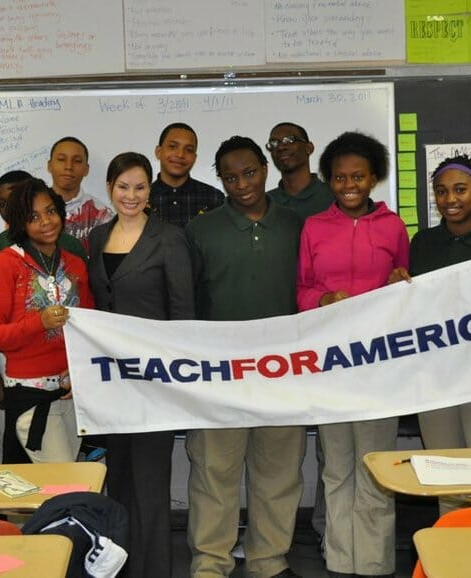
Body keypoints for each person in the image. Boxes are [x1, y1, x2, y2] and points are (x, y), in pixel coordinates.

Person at [186, 136, 305, 578]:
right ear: (220, 180)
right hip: (219, 376)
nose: (242, 185)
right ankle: (210, 564)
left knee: (278, 474)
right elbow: (189, 304)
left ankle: (268, 562)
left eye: (250, 173)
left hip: (284, 373)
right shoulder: (201, 230)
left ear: (265, 169)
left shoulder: (296, 224)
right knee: (214, 473)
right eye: (231, 177)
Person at [296, 131, 408, 578]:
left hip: (380, 365)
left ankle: (376, 562)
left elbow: (406, 285)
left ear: (374, 177)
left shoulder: (394, 226)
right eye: (340, 177)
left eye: (357, 176)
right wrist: (322, 300)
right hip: (332, 365)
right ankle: (341, 561)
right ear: (329, 180)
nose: (349, 184)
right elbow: (301, 290)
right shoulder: (314, 227)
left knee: (377, 468)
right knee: (337, 468)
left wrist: (402, 283)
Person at [87, 152, 195, 578]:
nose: (131, 195)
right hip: (110, 382)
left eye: (140, 187)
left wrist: (175, 378)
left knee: (151, 484)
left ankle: (154, 571)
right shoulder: (96, 237)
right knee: (120, 480)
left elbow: (184, 313)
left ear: (150, 190)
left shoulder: (168, 238)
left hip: (153, 381)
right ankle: (122, 568)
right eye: (122, 186)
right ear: (110, 189)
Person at [0, 170, 87, 457]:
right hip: (30, 393)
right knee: (64, 489)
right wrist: (39, 322)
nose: (46, 222)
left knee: (65, 483)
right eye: (34, 217)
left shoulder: (74, 263)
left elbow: (88, 326)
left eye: (50, 211)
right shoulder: (4, 264)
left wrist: (81, 371)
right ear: (19, 222)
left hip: (72, 391)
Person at [408, 155, 471, 458]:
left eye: (460, 189)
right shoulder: (422, 243)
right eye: (441, 191)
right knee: (445, 472)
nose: (450, 199)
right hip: (435, 379)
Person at [265, 120, 333, 544]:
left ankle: (330, 530)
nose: (283, 147)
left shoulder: (335, 195)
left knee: (334, 445)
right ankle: (272, 540)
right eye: (275, 143)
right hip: (280, 341)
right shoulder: (264, 201)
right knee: (279, 452)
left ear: (309, 146)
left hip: (329, 338)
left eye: (291, 140)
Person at [148, 122, 225, 227]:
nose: (180, 154)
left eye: (189, 150)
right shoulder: (142, 199)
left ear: (194, 158)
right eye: (173, 146)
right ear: (158, 151)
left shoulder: (214, 198)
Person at [46, 136, 114, 248]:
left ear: (86, 169)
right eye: (61, 159)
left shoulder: (102, 215)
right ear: (49, 165)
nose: (68, 167)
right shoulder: (31, 209)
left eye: (77, 161)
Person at [266, 121, 333, 219]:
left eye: (289, 140)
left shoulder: (333, 196)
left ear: (309, 148)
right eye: (274, 143)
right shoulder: (265, 203)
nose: (280, 147)